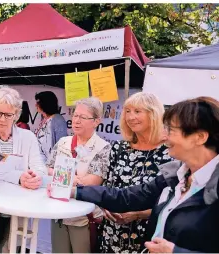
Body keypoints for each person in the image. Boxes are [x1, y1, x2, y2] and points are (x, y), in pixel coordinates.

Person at [65, 96, 219, 253]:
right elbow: (127, 197)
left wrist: (175, 252)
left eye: (171, 130)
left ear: (200, 137)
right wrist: (74, 191)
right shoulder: (175, 176)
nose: (165, 136)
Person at [92, 92, 173, 253]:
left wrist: (138, 214)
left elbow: (172, 202)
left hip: (148, 238)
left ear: (154, 114)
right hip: (112, 233)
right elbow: (108, 187)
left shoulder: (170, 152)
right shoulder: (118, 148)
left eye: (137, 111)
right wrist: (106, 207)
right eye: (127, 111)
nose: (130, 117)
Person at [0, 87, 47, 253]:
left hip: (19, 208)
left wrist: (35, 177)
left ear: (17, 114)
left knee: (11, 249)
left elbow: (39, 167)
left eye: (8, 115)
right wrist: (19, 177)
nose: (1, 119)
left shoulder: (28, 138)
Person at [46, 97, 110, 253]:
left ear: (96, 121)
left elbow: (93, 180)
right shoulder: (63, 142)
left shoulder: (103, 148)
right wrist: (72, 179)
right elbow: (48, 168)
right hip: (59, 213)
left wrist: (62, 178)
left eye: (83, 117)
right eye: (75, 115)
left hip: (84, 218)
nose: (77, 120)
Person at [34, 91, 68, 163]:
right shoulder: (44, 119)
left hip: (51, 166)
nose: (35, 105)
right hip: (40, 164)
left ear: (45, 103)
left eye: (38, 102)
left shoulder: (58, 120)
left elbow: (62, 146)